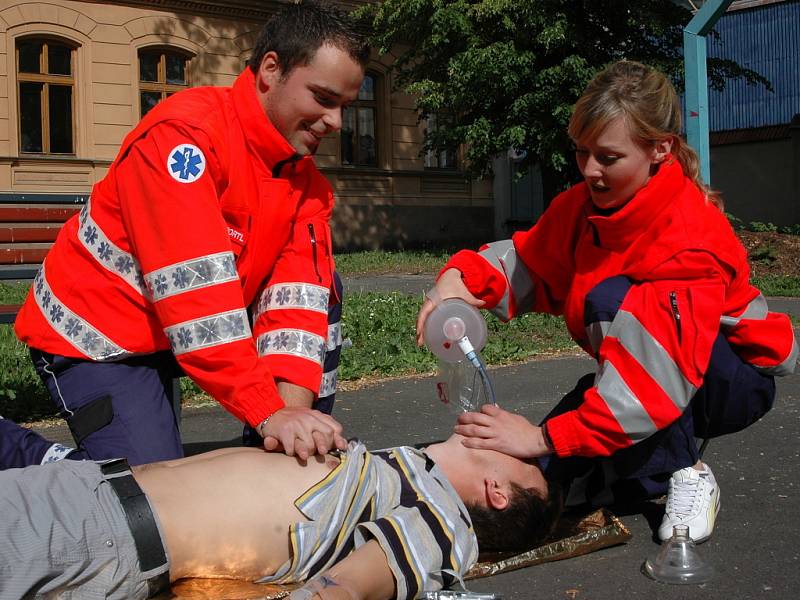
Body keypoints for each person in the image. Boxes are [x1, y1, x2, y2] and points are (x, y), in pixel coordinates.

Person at [417, 60, 797, 543]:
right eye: (581, 152)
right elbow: (526, 261)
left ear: (660, 149)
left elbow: (653, 387)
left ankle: (688, 471)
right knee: (548, 475)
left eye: (609, 157)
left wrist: (539, 436)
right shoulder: (582, 207)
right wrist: (456, 282)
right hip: (647, 372)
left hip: (728, 380)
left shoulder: (687, 237)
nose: (590, 170)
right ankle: (630, 473)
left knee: (608, 311)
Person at [13, 1, 370, 465]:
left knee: (326, 288)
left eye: (344, 106)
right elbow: (196, 299)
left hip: (174, 332)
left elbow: (298, 303)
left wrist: (288, 426)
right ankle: (18, 454)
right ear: (270, 70)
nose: (336, 123)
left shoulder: (306, 185)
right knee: (150, 496)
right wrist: (267, 412)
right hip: (101, 335)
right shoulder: (184, 139)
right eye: (323, 98)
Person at [0, 419, 562, 600]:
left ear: (498, 490)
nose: (514, 431)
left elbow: (347, 588)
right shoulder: (403, 472)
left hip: (91, 534)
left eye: (525, 456)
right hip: (81, 493)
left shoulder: (446, 522)